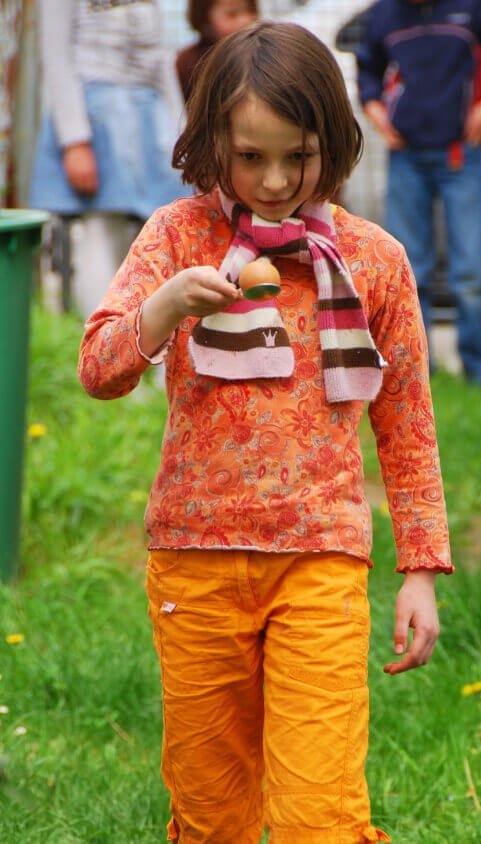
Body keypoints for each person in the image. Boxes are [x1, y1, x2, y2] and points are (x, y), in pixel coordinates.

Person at [78, 22, 452, 844]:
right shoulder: (178, 238)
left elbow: (409, 425)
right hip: (194, 562)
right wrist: (167, 304)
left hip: (320, 563)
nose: (277, 180)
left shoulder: (374, 261)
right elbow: (99, 370)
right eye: (251, 157)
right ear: (214, 142)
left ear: (337, 142)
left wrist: (421, 569)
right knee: (213, 818)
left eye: (301, 155)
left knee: (319, 815)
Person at [357, 0, 481, 384]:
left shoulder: (479, 5)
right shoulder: (384, 14)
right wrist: (375, 111)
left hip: (462, 154)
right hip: (405, 157)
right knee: (408, 272)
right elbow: (367, 69)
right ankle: (415, 375)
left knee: (474, 271)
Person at [29, 0, 190, 319]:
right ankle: (104, 343)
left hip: (149, 116)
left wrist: (181, 132)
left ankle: (158, 352)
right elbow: (56, 54)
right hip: (98, 115)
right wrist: (75, 140)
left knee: (162, 232)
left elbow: (160, 58)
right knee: (102, 228)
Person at [176, 0, 258, 103]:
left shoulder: (264, 54)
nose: (245, 20)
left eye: (251, 11)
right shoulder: (189, 63)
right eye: (231, 14)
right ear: (206, 18)